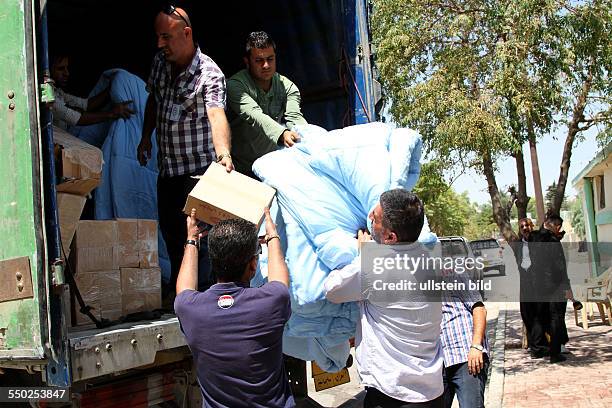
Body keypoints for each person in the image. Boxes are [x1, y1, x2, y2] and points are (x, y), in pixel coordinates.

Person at [137, 6, 233, 300]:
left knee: (201, 240)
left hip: (199, 174)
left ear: (186, 33)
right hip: (168, 172)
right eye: (158, 37)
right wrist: (145, 137)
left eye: (165, 37)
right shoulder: (160, 63)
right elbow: (154, 100)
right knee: (172, 234)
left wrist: (224, 154)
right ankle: (180, 298)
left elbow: (217, 115)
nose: (159, 44)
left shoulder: (210, 73)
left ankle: (202, 299)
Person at [324, 189, 444, 407]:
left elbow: (332, 290)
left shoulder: (374, 266)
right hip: (432, 391)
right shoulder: (431, 262)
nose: (370, 217)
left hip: (393, 393)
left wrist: (362, 254)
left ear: (391, 237)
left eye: (376, 219)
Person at [174, 208, 295, 408]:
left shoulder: (191, 309)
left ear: (213, 261)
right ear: (253, 265)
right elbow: (280, 278)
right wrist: (273, 236)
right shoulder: (270, 301)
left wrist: (191, 239)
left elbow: (184, 287)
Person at [226, 31, 307, 177]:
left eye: (270, 59)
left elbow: (295, 118)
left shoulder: (287, 86)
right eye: (259, 60)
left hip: (272, 165)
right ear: (247, 61)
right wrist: (282, 133)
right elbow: (255, 115)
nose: (266, 65)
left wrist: (308, 135)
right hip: (241, 169)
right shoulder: (235, 86)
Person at [529, 211, 572, 363]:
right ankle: (555, 352)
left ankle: (540, 348)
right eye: (558, 227)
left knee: (541, 317)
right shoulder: (553, 241)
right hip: (554, 285)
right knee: (556, 318)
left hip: (538, 285)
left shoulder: (533, 237)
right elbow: (560, 266)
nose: (558, 230)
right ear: (555, 226)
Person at [50, 54, 134, 131]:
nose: (67, 73)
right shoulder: (45, 93)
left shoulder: (57, 92)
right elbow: (76, 118)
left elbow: (86, 105)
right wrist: (112, 113)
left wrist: (112, 88)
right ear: (47, 69)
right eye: (60, 69)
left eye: (67, 68)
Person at [440, 281, 489, 408]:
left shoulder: (454, 274)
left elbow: (479, 309)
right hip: (439, 362)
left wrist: (476, 346)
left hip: (466, 358)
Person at [510, 218, 547, 358]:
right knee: (527, 313)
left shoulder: (538, 241)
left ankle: (538, 348)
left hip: (538, 281)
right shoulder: (518, 245)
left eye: (527, 225)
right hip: (525, 282)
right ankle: (535, 346)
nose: (525, 228)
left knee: (538, 315)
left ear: (532, 226)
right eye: (522, 227)